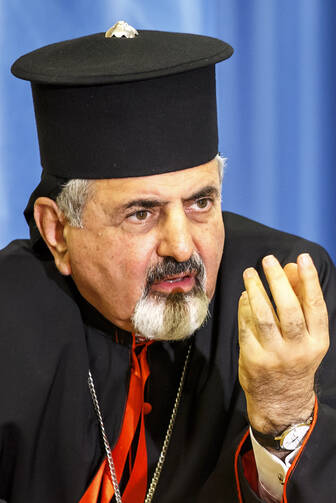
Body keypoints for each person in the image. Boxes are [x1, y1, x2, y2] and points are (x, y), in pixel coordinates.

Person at [0, 21, 335, 503]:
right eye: (141, 213)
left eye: (201, 203)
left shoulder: (288, 288)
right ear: (58, 232)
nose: (181, 246)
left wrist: (287, 414)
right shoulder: (6, 314)